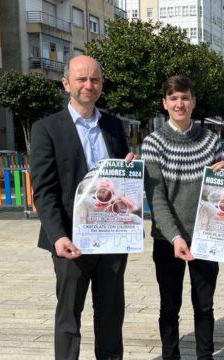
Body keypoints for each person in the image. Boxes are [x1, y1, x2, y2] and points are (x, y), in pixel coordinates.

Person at [30, 55, 134, 359]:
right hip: (70, 241)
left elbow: (121, 181)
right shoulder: (46, 128)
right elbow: (44, 190)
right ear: (66, 84)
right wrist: (57, 236)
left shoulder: (114, 125)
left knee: (111, 316)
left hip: (112, 238)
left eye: (95, 79)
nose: (89, 85)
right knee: (68, 318)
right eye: (81, 79)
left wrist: (127, 171)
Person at [142, 75, 224, 360]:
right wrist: (175, 236)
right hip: (168, 239)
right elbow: (156, 199)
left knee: (204, 306)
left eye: (185, 97)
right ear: (165, 103)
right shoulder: (153, 143)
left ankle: (205, 356)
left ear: (193, 102)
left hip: (205, 237)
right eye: (173, 98)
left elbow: (219, 193)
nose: (180, 103)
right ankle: (171, 356)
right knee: (169, 306)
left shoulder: (210, 140)